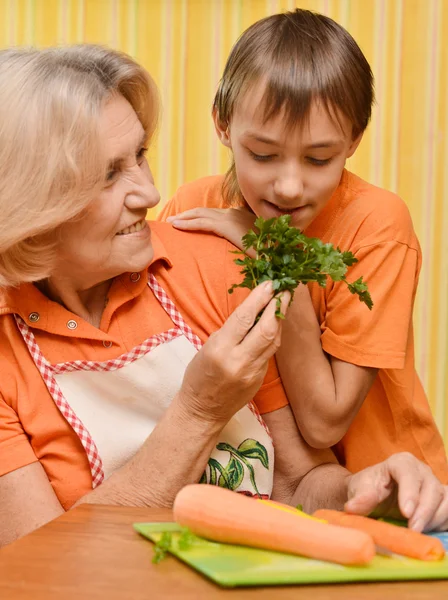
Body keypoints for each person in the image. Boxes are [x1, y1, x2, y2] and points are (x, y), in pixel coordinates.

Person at [0, 45, 446, 549]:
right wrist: (198, 410)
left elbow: (298, 483)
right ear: (29, 201)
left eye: (140, 156)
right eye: (108, 175)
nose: (148, 193)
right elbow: (32, 564)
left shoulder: (220, 267)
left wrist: (361, 490)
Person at [159, 9, 448, 499]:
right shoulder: (193, 207)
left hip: (389, 498)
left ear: (353, 141)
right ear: (224, 125)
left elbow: (324, 422)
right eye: (264, 154)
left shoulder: (378, 225)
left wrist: (269, 253)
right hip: (268, 492)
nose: (289, 186)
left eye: (318, 159)